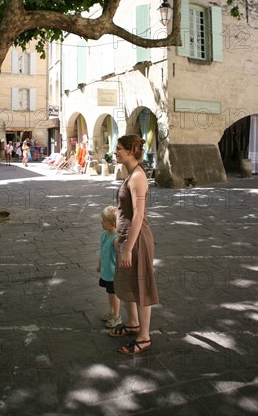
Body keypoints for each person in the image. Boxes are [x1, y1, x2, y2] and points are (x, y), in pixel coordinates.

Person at [108, 134, 159, 355]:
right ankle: (133, 324)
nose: (115, 151)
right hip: (128, 237)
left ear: (130, 151)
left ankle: (144, 337)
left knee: (141, 285)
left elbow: (138, 216)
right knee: (128, 283)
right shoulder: (131, 174)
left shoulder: (138, 176)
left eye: (118, 148)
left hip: (137, 240)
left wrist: (128, 246)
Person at [96, 206, 122, 329]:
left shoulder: (115, 239)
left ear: (112, 224)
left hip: (113, 273)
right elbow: (102, 251)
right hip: (106, 271)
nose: (102, 223)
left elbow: (121, 255)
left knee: (114, 294)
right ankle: (112, 312)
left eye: (104, 221)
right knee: (109, 293)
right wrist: (99, 264)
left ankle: (116, 316)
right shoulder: (104, 235)